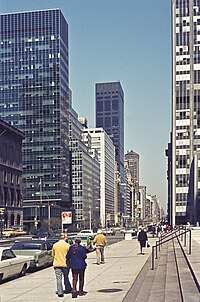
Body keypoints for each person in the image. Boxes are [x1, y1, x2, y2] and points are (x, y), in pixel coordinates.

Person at [52, 233, 72, 298]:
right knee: (66, 277)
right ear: (64, 238)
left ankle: (60, 292)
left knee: (58, 279)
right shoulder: (67, 245)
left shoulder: (55, 245)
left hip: (57, 264)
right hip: (65, 264)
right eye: (67, 237)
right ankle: (68, 288)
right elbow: (70, 255)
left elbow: (53, 255)